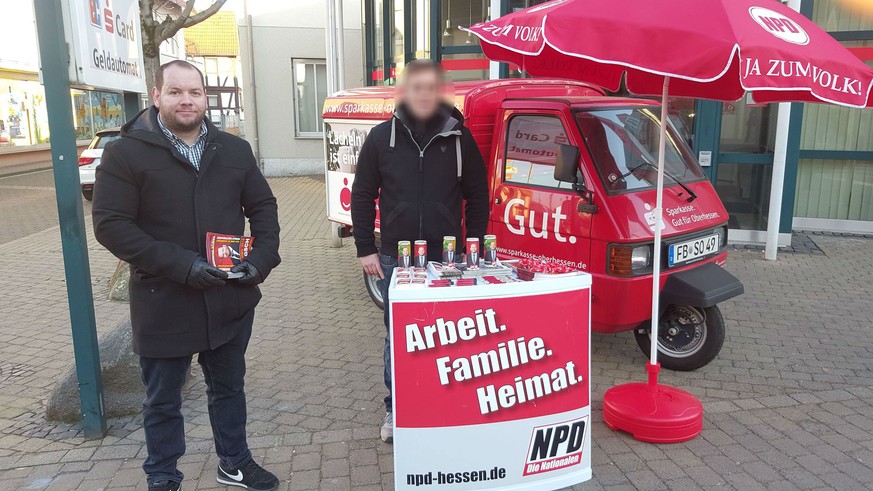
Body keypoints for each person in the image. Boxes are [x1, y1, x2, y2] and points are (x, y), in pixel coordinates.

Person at [92, 60, 282, 491]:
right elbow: (111, 225)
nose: (187, 100)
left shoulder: (233, 149)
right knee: (162, 399)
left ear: (205, 97)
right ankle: (162, 476)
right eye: (176, 91)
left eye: (195, 92)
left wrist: (262, 259)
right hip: (164, 297)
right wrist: (183, 264)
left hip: (229, 297)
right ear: (156, 96)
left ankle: (234, 462)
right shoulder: (125, 152)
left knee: (229, 388)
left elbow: (263, 207)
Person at [351, 59, 489, 443]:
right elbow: (362, 196)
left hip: (448, 259)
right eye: (417, 87)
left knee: (449, 336)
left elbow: (478, 196)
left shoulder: (460, 137)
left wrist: (473, 246)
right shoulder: (381, 138)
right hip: (397, 257)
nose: (424, 94)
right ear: (404, 91)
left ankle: (443, 406)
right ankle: (397, 410)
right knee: (399, 337)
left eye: (431, 87)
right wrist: (366, 248)